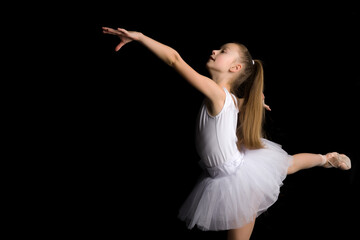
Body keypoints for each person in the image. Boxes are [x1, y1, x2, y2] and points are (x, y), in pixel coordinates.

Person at [102, 26, 351, 240]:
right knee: (288, 164)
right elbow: (236, 105)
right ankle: (325, 159)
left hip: (238, 179)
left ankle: (326, 158)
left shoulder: (216, 93)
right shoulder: (227, 97)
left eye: (223, 51)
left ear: (235, 68)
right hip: (224, 172)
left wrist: (141, 37)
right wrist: (253, 103)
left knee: (288, 165)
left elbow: (174, 60)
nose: (214, 51)